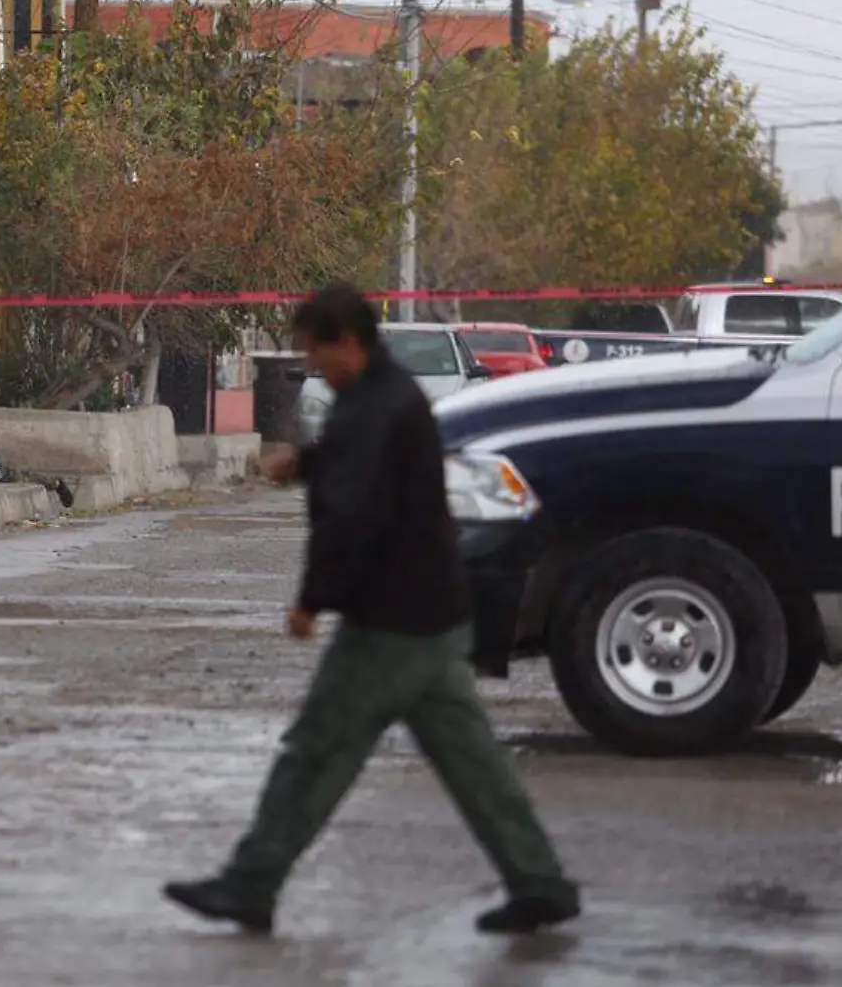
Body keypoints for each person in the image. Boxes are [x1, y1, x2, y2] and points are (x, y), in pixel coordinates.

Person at [162, 283, 580, 937]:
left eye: (316, 350)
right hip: (436, 616)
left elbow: (348, 518)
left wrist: (309, 602)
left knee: (316, 751)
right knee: (474, 764)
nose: (312, 362)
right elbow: (356, 469)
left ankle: (252, 881)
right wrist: (302, 464)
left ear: (349, 342)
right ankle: (539, 881)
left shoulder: (371, 406)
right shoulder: (389, 395)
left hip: (391, 622)